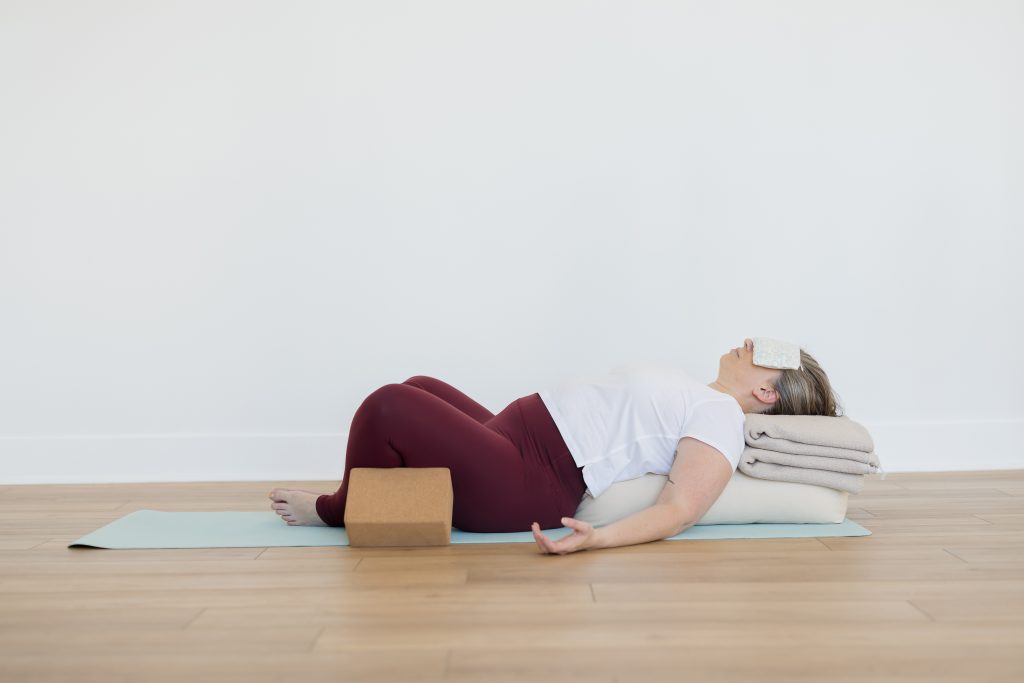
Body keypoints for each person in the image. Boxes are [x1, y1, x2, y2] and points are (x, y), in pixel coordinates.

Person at [268, 338, 842, 555]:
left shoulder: (719, 417)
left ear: (767, 390)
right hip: (513, 437)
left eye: (766, 352)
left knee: (390, 405)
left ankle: (337, 511)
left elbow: (681, 509)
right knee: (420, 388)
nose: (748, 342)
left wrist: (597, 541)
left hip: (527, 477)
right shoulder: (699, 392)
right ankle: (395, 513)